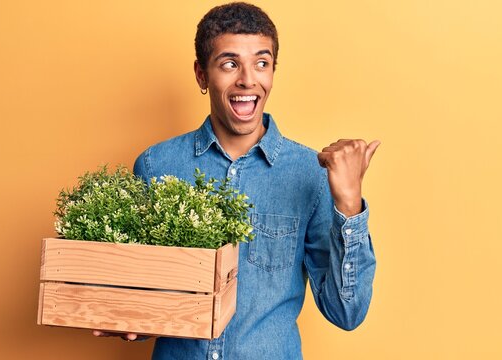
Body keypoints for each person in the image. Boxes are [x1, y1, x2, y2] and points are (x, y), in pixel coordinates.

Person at [94, 2, 379, 359]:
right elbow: (140, 293)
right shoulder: (155, 165)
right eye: (229, 64)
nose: (248, 79)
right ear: (201, 75)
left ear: (273, 70)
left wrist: (349, 203)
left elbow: (347, 313)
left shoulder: (313, 174)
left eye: (262, 62)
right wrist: (126, 319)